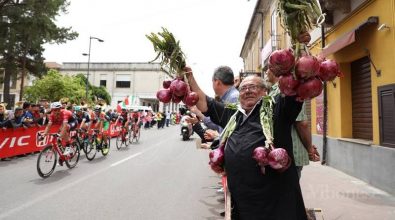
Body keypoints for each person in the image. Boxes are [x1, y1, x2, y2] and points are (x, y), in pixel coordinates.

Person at [186, 66, 307, 220]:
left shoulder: (277, 110)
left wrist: (296, 63)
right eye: (243, 88)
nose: (247, 91)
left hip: (275, 205)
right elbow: (204, 103)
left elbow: (293, 91)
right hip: (244, 205)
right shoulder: (234, 115)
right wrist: (189, 77)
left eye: (253, 87)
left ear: (265, 92)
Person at [266, 70, 320, 179]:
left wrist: (309, 149)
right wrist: (309, 147)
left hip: (291, 154)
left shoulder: (288, 91)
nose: (266, 72)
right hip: (286, 154)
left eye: (269, 69)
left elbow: (301, 124)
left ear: (276, 71)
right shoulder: (278, 91)